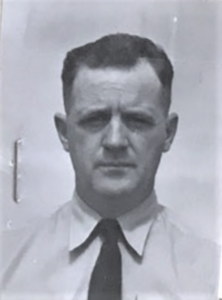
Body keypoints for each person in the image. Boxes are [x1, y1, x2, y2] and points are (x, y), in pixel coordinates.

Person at [0, 33, 220, 300]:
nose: (115, 141)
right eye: (95, 119)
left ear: (169, 133)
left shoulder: (212, 273)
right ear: (64, 133)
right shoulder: (6, 262)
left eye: (137, 120)